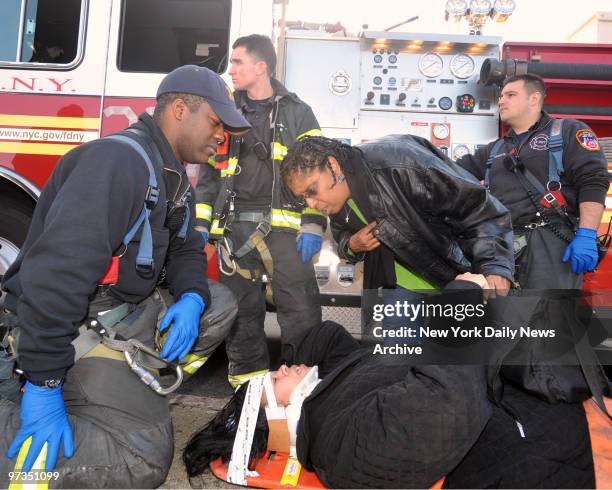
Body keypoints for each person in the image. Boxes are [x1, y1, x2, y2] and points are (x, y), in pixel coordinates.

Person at [0, 65, 248, 488]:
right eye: (215, 122)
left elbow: (187, 248)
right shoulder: (117, 162)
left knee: (217, 301)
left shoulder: (172, 177)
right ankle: (27, 407)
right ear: (180, 109)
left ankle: (124, 386)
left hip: (119, 312)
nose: (221, 136)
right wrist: (43, 382)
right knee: (139, 461)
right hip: (76, 325)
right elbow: (56, 278)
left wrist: (191, 297)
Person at [184, 273, 599, 488]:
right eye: (273, 381)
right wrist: (458, 304)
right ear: (276, 417)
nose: (280, 368)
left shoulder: (325, 401)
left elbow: (326, 338)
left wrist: (299, 369)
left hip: (540, 402)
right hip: (554, 445)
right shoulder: (345, 448)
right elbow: (452, 401)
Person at [195, 34, 326, 387]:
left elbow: (318, 175)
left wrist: (314, 224)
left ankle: (301, 394)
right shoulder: (224, 113)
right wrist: (201, 227)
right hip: (232, 235)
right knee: (241, 318)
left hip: (287, 233)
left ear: (261, 67)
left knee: (300, 315)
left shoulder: (299, 113)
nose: (230, 70)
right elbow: (209, 176)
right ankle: (248, 394)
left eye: (237, 62)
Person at [280, 134, 515, 297]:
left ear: (334, 165)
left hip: (455, 282)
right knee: (401, 366)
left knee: (453, 365)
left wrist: (495, 266)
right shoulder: (335, 197)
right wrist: (352, 245)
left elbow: (476, 207)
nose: (310, 202)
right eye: (303, 197)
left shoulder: (399, 163)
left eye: (312, 190)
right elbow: (341, 237)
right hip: (395, 294)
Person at [455, 73, 610, 289]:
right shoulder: (495, 149)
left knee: (549, 317)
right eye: (501, 96)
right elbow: (450, 172)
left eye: (510, 95)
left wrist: (586, 234)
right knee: (503, 318)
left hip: (550, 244)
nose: (501, 101)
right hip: (502, 247)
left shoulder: (566, 131)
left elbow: (594, 181)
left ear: (534, 98)